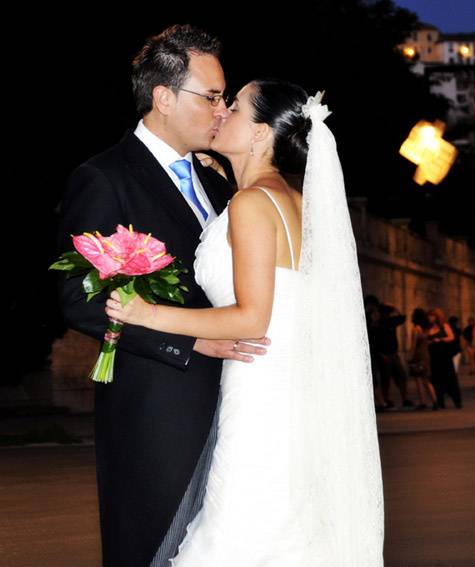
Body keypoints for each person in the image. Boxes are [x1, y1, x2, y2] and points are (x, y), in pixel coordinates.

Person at [106, 79, 384, 564]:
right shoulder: (291, 201)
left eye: (232, 107)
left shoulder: (252, 204)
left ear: (259, 134)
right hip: (291, 394)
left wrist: (148, 313)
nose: (220, 113)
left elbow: (252, 318)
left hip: (260, 399)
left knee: (240, 536)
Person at [55, 25, 272, 567]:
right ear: (164, 97)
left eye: (225, 97)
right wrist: (190, 343)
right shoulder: (105, 177)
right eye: (213, 95)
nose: (222, 108)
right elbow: (78, 299)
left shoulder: (219, 181)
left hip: (236, 403)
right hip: (156, 414)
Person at [376, 303, 414, 409]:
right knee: (386, 378)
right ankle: (385, 400)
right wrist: (381, 354)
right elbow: (375, 341)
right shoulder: (379, 324)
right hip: (384, 355)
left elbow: (402, 317)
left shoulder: (391, 322)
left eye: (388, 313)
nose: (388, 315)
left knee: (401, 376)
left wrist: (395, 308)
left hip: (393, 354)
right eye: (386, 313)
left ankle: (405, 399)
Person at [426, 308, 463, 409]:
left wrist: (441, 339)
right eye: (429, 316)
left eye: (432, 316)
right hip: (434, 358)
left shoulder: (444, 326)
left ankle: (457, 401)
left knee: (450, 379)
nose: (430, 318)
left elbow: (452, 337)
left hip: (444, 357)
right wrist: (430, 342)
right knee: (436, 380)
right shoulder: (428, 328)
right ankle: (440, 401)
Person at [408, 308, 438, 410]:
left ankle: (423, 402)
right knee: (426, 379)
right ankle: (435, 401)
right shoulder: (427, 328)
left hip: (418, 355)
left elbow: (413, 345)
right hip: (426, 355)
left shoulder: (415, 329)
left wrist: (410, 357)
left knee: (418, 379)